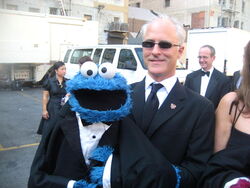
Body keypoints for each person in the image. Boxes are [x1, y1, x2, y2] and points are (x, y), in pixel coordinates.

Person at [28, 61, 179, 188]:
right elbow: (37, 176)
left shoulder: (123, 123)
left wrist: (110, 178)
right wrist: (71, 185)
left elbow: (145, 162)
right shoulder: (60, 123)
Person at [129, 16, 215, 187]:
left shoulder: (200, 108)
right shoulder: (123, 95)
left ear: (180, 51)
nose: (155, 51)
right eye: (148, 44)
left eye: (164, 45)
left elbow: (196, 168)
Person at [198, 40, 250, 187]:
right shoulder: (231, 104)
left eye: (205, 57)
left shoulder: (222, 79)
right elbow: (215, 167)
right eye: (199, 57)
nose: (202, 60)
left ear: (213, 58)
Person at [37, 61, 68, 135]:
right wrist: (44, 110)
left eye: (65, 69)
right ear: (56, 71)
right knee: (51, 128)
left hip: (64, 107)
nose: (64, 71)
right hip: (53, 108)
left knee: (63, 129)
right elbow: (45, 96)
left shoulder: (67, 82)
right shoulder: (49, 82)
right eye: (62, 69)